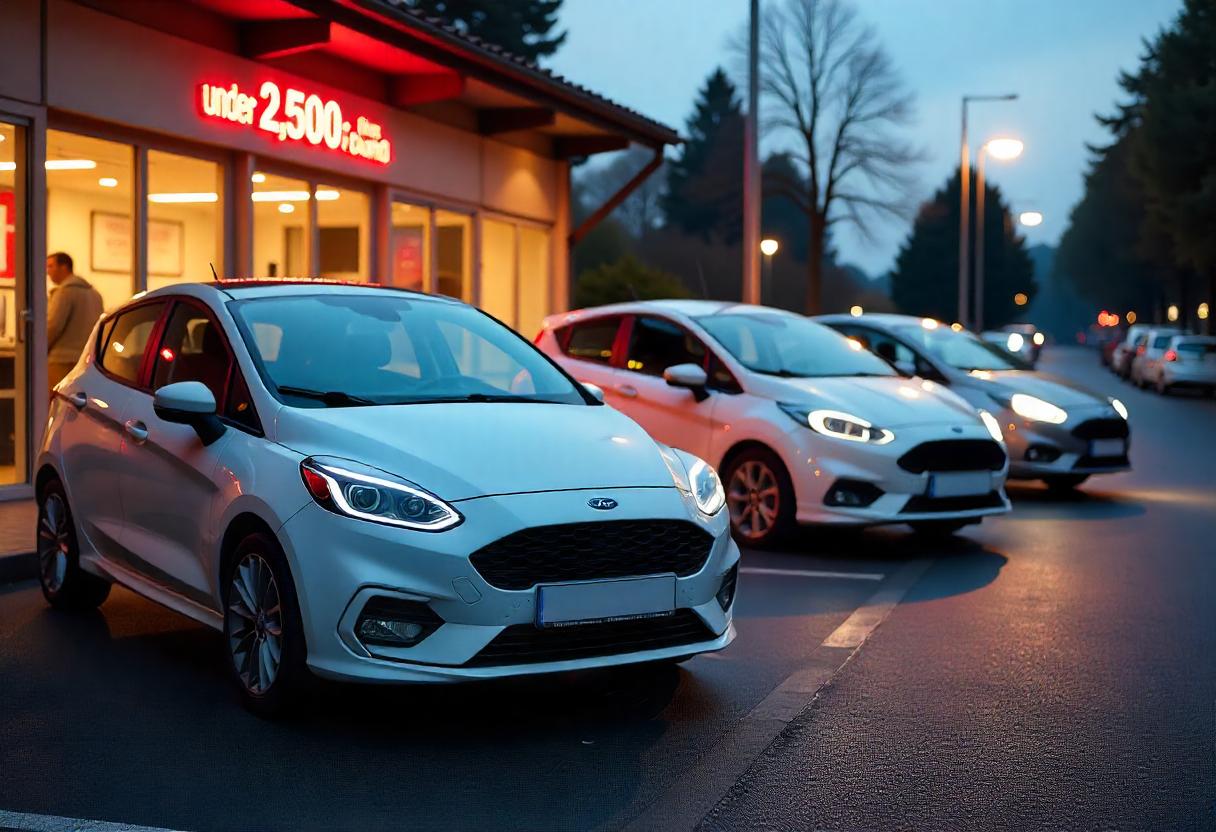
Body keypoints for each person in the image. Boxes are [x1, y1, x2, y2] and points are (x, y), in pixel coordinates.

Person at [46, 252, 104, 393]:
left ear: (64, 267)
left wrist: (39, 350)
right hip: (86, 361)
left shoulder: (64, 293)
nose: (48, 272)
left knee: (56, 403)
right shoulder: (95, 294)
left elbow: (53, 326)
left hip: (61, 361)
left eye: (51, 266)